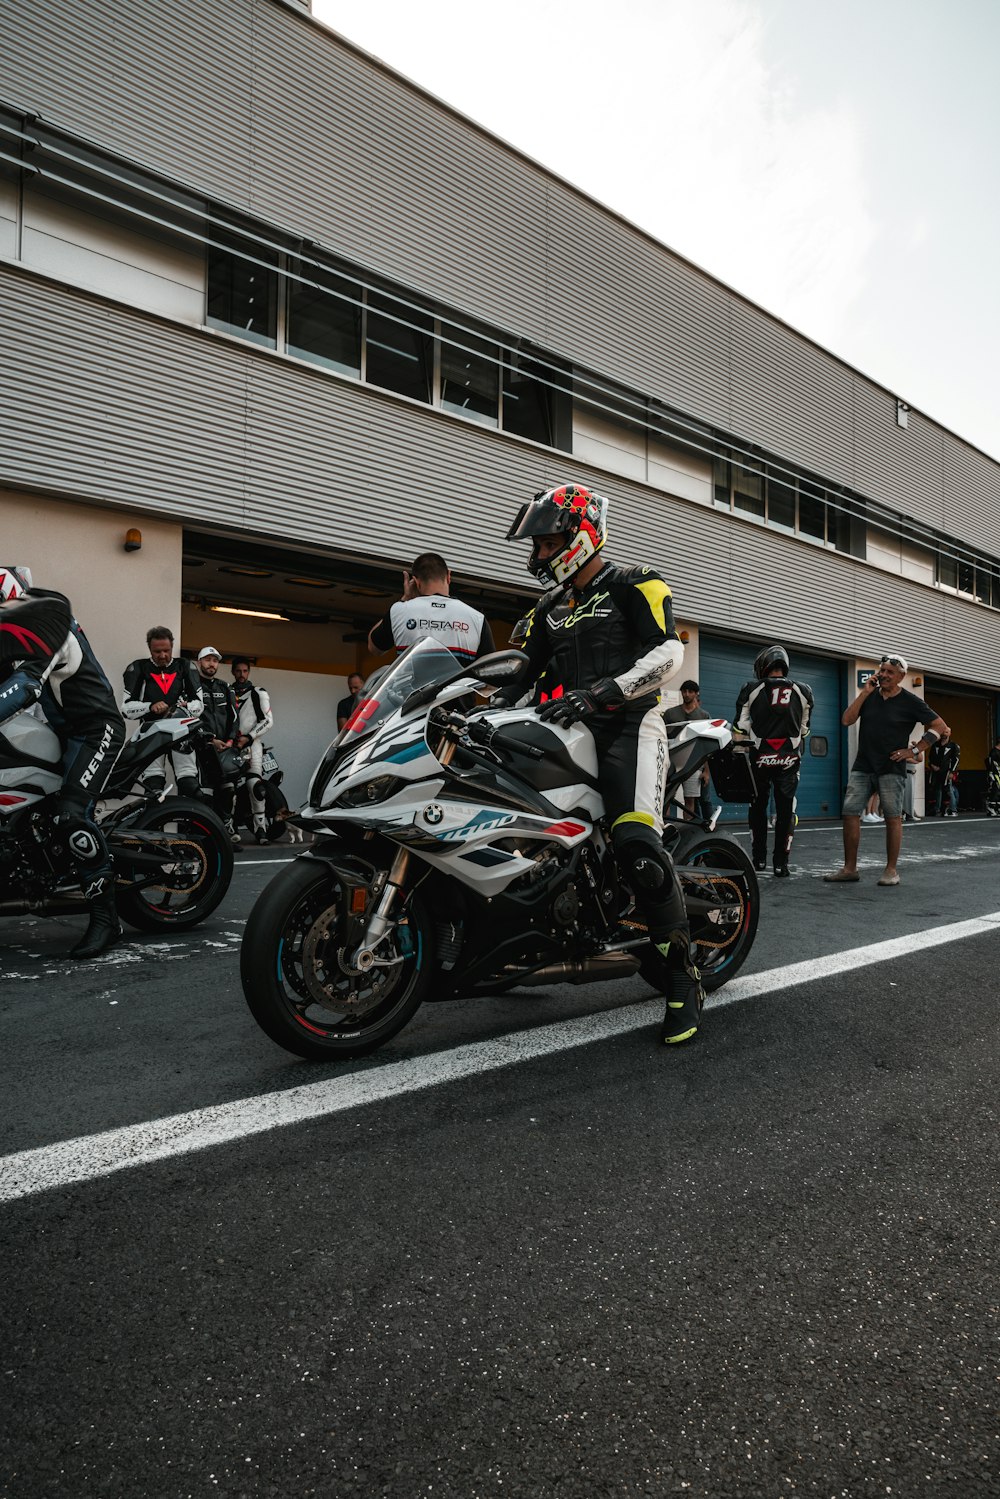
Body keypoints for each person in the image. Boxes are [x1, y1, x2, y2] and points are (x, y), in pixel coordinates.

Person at [498, 483, 698, 1044]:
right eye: (536, 545)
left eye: (546, 542)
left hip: (629, 726)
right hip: (564, 730)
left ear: (581, 536)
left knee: (638, 846)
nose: (538, 554)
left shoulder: (636, 583)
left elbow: (668, 652)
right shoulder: (546, 609)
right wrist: (473, 708)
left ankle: (682, 980)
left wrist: (605, 691)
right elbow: (519, 676)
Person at [0, 565, 126, 958]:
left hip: (94, 729)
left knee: (71, 813)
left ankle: (107, 919)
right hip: (61, 730)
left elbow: (24, 686)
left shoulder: (50, 629)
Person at [824, 653, 948, 888]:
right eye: (882, 670)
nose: (884, 675)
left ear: (901, 676)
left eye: (890, 672)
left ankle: (891, 870)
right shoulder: (869, 696)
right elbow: (846, 720)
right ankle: (850, 868)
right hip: (863, 765)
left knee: (892, 818)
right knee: (850, 813)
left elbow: (939, 727)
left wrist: (913, 751)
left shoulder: (911, 701)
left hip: (891, 767)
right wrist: (864, 692)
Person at [734, 644, 814, 877]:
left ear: (763, 666)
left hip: (759, 757)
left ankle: (758, 859)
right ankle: (781, 863)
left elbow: (740, 725)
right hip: (790, 758)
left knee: (757, 807)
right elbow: (805, 729)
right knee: (786, 811)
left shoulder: (750, 688)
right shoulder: (805, 690)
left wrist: (740, 753)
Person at [368, 552, 496, 662]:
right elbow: (490, 672)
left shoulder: (399, 611)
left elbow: (374, 649)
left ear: (416, 582)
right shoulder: (476, 618)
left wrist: (405, 598)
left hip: (413, 691)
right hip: (459, 691)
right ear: (449, 576)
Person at [122, 626, 203, 796]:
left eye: (166, 650)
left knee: (189, 782)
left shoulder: (185, 666)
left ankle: (188, 821)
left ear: (172, 646)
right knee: (153, 786)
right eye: (157, 651)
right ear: (149, 649)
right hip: (151, 731)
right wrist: (149, 706)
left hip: (181, 731)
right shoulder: (138, 668)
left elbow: (199, 705)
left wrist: (184, 706)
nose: (162, 655)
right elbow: (126, 709)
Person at [195, 646, 241, 846]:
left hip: (225, 748)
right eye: (207, 660)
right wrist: (210, 740)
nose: (211, 663)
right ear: (199, 662)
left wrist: (230, 741)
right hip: (202, 747)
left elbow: (234, 717)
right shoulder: (192, 686)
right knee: (205, 792)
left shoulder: (225, 687)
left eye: (215, 660)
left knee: (228, 790)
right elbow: (191, 718)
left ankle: (226, 834)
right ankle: (206, 836)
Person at [231, 656, 274, 843]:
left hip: (253, 744)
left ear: (249, 672)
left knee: (256, 787)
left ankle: (261, 830)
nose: (241, 675)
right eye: (238, 671)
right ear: (233, 671)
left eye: (245, 671)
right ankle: (230, 828)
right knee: (228, 789)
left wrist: (248, 737)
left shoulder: (258, 692)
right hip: (229, 746)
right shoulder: (225, 691)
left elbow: (268, 721)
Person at [663, 681, 712, 818]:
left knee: (690, 801)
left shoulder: (703, 716)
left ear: (696, 694)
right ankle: (664, 830)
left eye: (690, 691)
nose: (686, 694)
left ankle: (687, 831)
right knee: (665, 799)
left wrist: (706, 771)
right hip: (671, 764)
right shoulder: (670, 714)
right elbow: (661, 738)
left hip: (693, 764)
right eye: (684, 691)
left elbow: (707, 745)